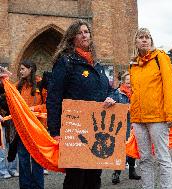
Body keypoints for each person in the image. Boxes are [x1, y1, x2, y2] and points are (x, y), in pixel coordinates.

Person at [46, 19, 115, 189]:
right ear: (72, 37)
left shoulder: (97, 65)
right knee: (75, 177)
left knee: (94, 176)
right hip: (75, 128)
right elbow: (54, 97)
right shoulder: (66, 61)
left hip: (97, 128)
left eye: (87, 32)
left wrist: (111, 97)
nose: (84, 35)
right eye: (80, 32)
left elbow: (109, 89)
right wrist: (55, 131)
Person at [129, 28, 172, 189]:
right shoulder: (133, 64)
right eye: (141, 37)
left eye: (147, 37)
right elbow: (134, 91)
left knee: (163, 157)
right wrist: (132, 114)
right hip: (138, 118)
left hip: (158, 117)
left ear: (151, 40)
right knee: (144, 158)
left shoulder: (160, 57)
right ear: (136, 42)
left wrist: (170, 115)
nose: (144, 40)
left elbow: (169, 86)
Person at [17, 60, 46, 189]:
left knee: (37, 159)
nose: (20, 71)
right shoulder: (18, 86)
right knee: (23, 159)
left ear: (30, 69)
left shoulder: (41, 84)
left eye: (23, 69)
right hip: (22, 128)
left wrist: (34, 109)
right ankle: (25, 186)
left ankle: (37, 186)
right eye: (20, 69)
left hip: (37, 129)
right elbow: (8, 94)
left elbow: (49, 105)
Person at [111, 72, 141, 184]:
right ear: (123, 82)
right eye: (127, 82)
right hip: (122, 125)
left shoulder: (136, 93)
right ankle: (116, 173)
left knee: (132, 148)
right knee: (121, 150)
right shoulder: (117, 93)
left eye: (131, 82)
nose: (129, 84)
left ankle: (132, 171)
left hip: (134, 124)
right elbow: (112, 107)